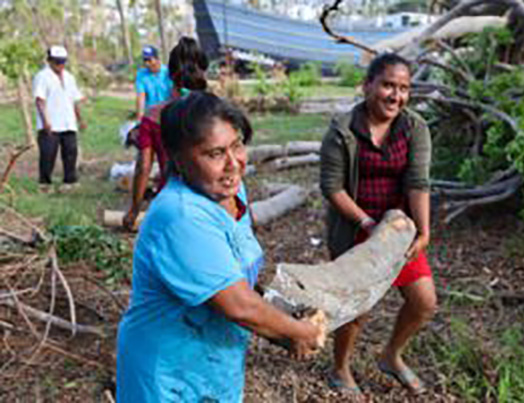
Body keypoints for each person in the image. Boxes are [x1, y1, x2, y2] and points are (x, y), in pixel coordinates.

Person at [117, 91, 325, 402]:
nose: (233, 164)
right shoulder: (181, 216)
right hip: (169, 377)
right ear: (177, 158)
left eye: (237, 145)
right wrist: (302, 333)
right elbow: (239, 306)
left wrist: (282, 323)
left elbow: (232, 277)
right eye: (214, 154)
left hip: (209, 362)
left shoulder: (230, 193)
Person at [320, 53, 436, 395]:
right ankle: (340, 369)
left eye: (403, 88)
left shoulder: (414, 127)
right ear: (367, 85)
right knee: (357, 310)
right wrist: (369, 223)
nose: (395, 96)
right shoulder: (342, 130)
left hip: (399, 231)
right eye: (387, 85)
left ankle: (391, 355)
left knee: (424, 302)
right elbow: (332, 188)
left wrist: (424, 231)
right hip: (357, 229)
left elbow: (418, 182)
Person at [123, 37, 208, 230]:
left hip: (171, 203)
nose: (148, 63)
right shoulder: (211, 112)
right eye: (145, 60)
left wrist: (134, 210)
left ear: (169, 73)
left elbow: (143, 167)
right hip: (205, 203)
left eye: (151, 59)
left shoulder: (152, 118)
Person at [33, 45, 86, 192]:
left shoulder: (69, 77)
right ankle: (45, 184)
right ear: (49, 61)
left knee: (71, 152)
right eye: (57, 62)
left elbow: (74, 100)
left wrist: (80, 119)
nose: (60, 65)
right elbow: (39, 100)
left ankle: (69, 182)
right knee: (48, 154)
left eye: (63, 62)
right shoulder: (42, 76)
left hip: (68, 122)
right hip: (51, 123)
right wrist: (45, 121)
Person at [134, 45, 172, 120]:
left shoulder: (168, 72)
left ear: (157, 59)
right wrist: (139, 118)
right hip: (151, 114)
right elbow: (141, 97)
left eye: (149, 60)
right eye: (145, 60)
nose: (147, 64)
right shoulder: (141, 74)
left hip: (169, 112)